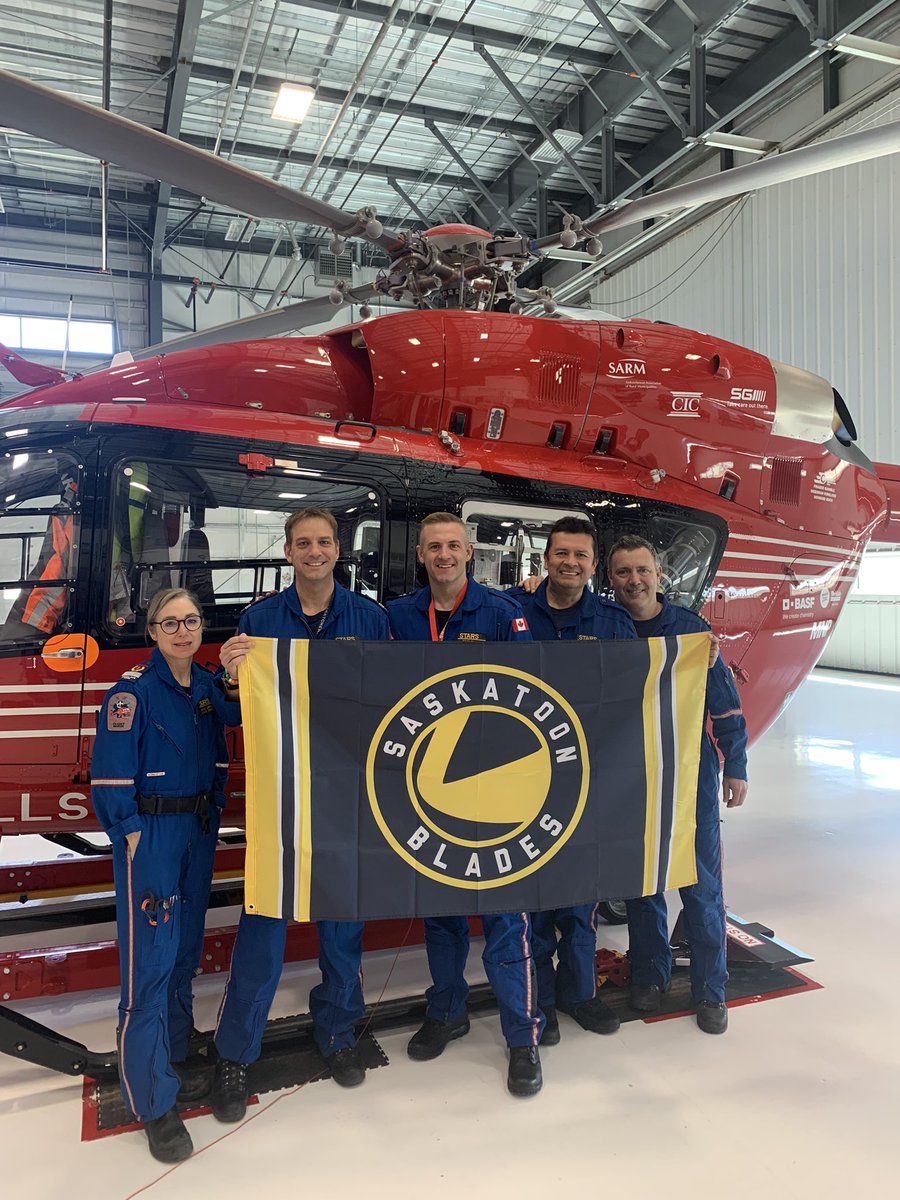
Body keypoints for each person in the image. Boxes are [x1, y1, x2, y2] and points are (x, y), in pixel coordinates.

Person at [211, 507, 389, 1122]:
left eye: (324, 542)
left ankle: (339, 1034)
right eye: (303, 543)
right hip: (279, 799)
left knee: (343, 928)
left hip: (346, 798)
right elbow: (237, 715)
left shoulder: (371, 619)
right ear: (287, 553)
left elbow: (391, 706)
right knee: (264, 925)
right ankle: (236, 1053)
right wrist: (233, 678)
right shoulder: (259, 621)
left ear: (338, 551)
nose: (314, 552)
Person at [387, 512, 545, 1098]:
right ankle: (448, 1011)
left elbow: (530, 698)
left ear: (469, 550)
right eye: (435, 547)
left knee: (506, 920)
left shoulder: (504, 614)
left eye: (454, 545)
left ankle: (522, 1038)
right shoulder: (399, 616)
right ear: (422, 556)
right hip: (423, 789)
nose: (445, 555)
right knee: (442, 914)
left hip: (495, 790)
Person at [90, 588, 240, 1164]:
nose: (182, 630)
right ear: (151, 631)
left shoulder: (204, 687)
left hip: (197, 832)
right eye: (170, 622)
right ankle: (151, 1101)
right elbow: (110, 775)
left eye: (192, 621)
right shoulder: (130, 693)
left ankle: (174, 1052)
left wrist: (237, 668)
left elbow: (242, 713)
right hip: (151, 839)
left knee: (182, 953)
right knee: (149, 963)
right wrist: (127, 829)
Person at [607, 534, 748, 1033]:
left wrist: (736, 766)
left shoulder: (692, 632)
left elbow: (726, 705)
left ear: (659, 576)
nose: (634, 581)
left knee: (701, 888)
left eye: (642, 570)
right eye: (623, 572)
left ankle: (712, 991)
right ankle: (649, 976)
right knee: (642, 885)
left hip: (691, 778)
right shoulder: (607, 629)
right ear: (611, 580)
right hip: (632, 778)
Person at [507, 516, 635, 1045]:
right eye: (561, 554)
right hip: (524, 782)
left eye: (581, 556)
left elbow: (636, 693)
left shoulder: (613, 621)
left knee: (581, 902)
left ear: (593, 563)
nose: (570, 563)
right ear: (545, 559)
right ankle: (543, 1002)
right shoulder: (512, 613)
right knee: (535, 901)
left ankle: (580, 994)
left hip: (587, 784)